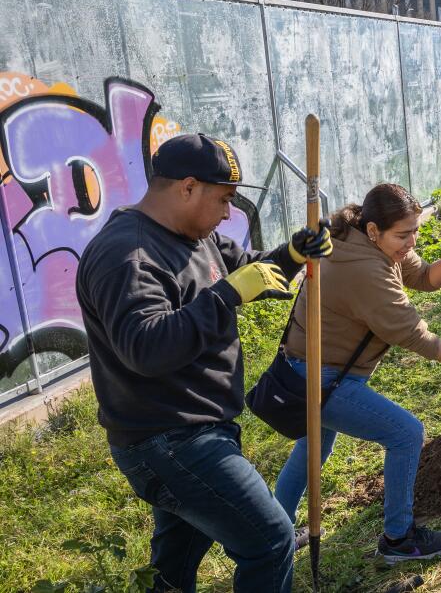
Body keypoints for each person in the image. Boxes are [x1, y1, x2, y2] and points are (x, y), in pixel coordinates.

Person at [75, 133, 333, 592]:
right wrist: (227, 295)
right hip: (168, 440)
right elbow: (145, 347)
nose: (228, 213)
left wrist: (293, 255)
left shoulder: (197, 237)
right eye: (224, 199)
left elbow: (252, 271)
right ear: (188, 187)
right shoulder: (128, 255)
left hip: (195, 429)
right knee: (271, 541)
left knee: (173, 569)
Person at [274, 183, 441, 562]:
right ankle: (398, 538)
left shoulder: (367, 239)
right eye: (404, 235)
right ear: (374, 231)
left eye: (415, 230)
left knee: (313, 447)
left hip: (322, 369)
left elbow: (424, 278)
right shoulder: (364, 269)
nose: (411, 241)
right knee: (406, 433)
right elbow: (416, 337)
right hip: (320, 376)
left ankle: (275, 529)